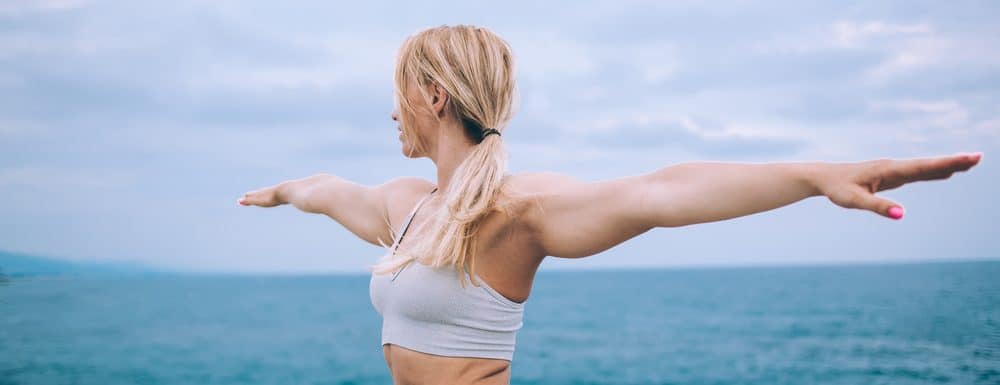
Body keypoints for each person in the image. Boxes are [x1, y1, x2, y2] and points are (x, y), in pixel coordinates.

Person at [237, 24, 983, 385]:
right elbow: (329, 192)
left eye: (398, 94)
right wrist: (280, 191)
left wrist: (815, 175)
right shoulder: (405, 206)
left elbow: (658, 193)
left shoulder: (517, 209)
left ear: (434, 95)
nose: (390, 114)